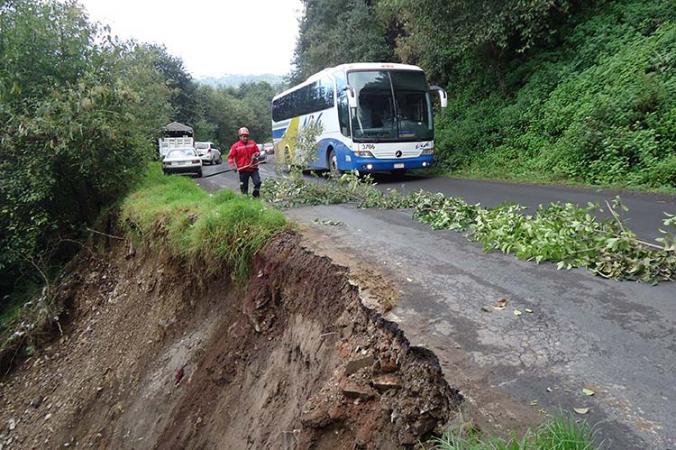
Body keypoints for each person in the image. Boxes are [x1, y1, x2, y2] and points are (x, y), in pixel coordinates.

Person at [228, 127, 262, 197]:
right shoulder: (235, 146)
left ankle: (256, 196)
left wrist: (256, 154)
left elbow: (258, 152)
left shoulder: (252, 143)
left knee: (258, 182)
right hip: (243, 170)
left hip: (253, 168)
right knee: (244, 188)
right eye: (244, 136)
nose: (245, 138)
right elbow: (230, 157)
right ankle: (245, 199)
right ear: (240, 137)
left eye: (246, 136)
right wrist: (233, 166)